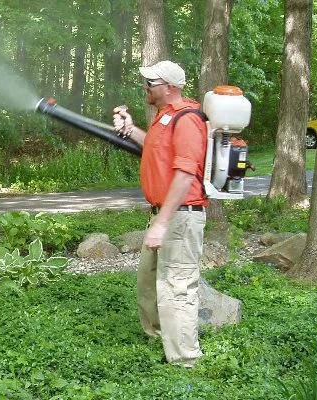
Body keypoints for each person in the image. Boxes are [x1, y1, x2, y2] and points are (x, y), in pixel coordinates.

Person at [112, 60, 208, 368]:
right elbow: (153, 147)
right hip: (164, 214)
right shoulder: (164, 117)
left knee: (177, 288)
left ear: (169, 87)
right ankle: (160, 339)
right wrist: (129, 128)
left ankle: (185, 362)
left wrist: (162, 223)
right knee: (149, 282)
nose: (145, 87)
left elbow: (184, 174)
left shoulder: (188, 119)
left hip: (180, 216)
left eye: (150, 83)